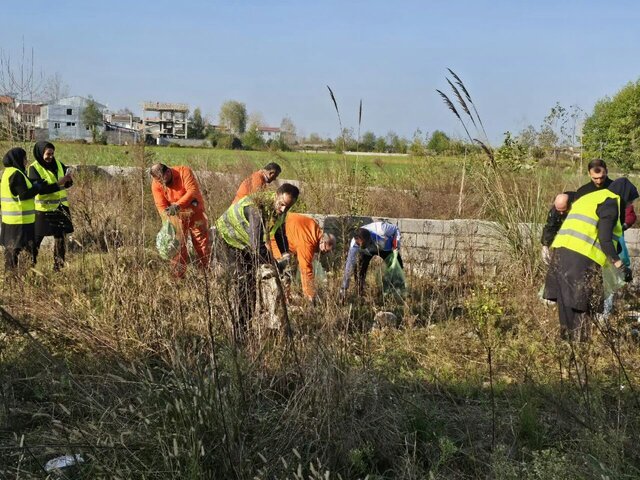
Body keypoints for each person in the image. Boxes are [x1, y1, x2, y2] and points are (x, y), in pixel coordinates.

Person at [544, 178, 638, 341]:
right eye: (629, 200)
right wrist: (620, 266)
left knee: (566, 305)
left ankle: (566, 350)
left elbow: (591, 228)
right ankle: (581, 352)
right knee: (582, 305)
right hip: (580, 258)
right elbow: (605, 239)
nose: (629, 204)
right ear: (624, 195)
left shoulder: (591, 197)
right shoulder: (610, 202)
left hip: (560, 254)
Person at [215, 183, 299, 340]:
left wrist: (286, 255)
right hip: (227, 240)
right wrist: (276, 264)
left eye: (287, 207)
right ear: (276, 195)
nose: (283, 210)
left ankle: (244, 328)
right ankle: (238, 333)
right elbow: (257, 247)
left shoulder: (279, 209)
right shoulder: (256, 209)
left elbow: (280, 232)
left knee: (250, 286)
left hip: (244, 243)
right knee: (244, 285)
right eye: (281, 205)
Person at [1, 147, 69, 272]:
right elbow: (24, 194)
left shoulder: (10, 172)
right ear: (17, 159)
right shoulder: (16, 174)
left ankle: (15, 277)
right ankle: (17, 277)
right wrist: (37, 187)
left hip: (13, 220)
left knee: (14, 251)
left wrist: (36, 185)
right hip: (19, 220)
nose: (26, 161)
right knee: (18, 251)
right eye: (24, 158)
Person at [150, 163, 210, 277]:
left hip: (195, 211)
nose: (160, 183)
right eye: (158, 181)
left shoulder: (184, 172)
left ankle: (205, 274)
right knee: (177, 246)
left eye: (162, 180)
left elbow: (192, 190)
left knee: (201, 243)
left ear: (167, 172)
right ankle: (178, 277)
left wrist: (177, 205)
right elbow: (161, 206)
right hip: (176, 217)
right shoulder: (156, 183)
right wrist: (167, 225)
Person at [28, 141, 74, 270]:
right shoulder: (34, 168)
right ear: (40, 152)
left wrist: (68, 181)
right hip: (43, 210)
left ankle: (58, 267)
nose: (51, 157)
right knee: (36, 239)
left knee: (61, 238)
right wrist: (59, 183)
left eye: (52, 154)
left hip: (60, 207)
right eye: (48, 154)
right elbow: (39, 190)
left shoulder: (59, 164)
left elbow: (66, 184)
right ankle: (30, 265)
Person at [271, 213, 336, 302]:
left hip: (287, 239)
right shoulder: (308, 243)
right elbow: (305, 270)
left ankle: (286, 297)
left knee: (291, 267)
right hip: (276, 242)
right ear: (322, 242)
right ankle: (278, 301)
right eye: (325, 251)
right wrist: (310, 296)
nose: (324, 254)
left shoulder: (314, 230)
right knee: (281, 271)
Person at [340, 221, 402, 298]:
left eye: (363, 244)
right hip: (367, 252)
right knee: (359, 268)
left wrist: (397, 244)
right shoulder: (355, 244)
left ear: (368, 239)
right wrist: (344, 288)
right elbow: (349, 266)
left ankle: (396, 292)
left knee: (397, 266)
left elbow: (396, 229)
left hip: (385, 247)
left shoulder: (382, 229)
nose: (360, 244)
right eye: (359, 244)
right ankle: (360, 292)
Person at [541, 191, 576, 265]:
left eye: (563, 211)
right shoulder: (555, 211)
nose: (561, 213)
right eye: (559, 211)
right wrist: (545, 245)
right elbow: (551, 227)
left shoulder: (579, 205)